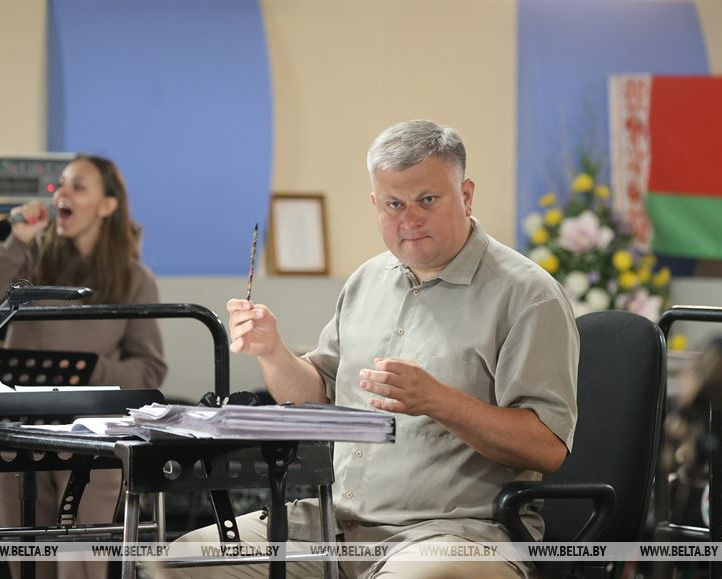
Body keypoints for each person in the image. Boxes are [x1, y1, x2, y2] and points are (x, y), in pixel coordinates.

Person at [168, 120, 578, 578]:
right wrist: (272, 351)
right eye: (394, 204)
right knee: (183, 561)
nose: (410, 219)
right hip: (335, 526)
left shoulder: (527, 295)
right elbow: (314, 400)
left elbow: (547, 447)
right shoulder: (367, 281)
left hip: (455, 534)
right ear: (375, 205)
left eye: (427, 200)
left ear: (466, 195)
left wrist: (437, 401)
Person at [0, 153, 168, 579]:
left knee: (80, 559)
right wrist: (17, 239)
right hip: (17, 434)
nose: (62, 193)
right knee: (25, 559)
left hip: (92, 440)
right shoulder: (29, 260)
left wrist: (88, 372)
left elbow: (150, 370)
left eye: (78, 186)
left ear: (107, 205)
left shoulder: (134, 278)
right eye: (61, 184)